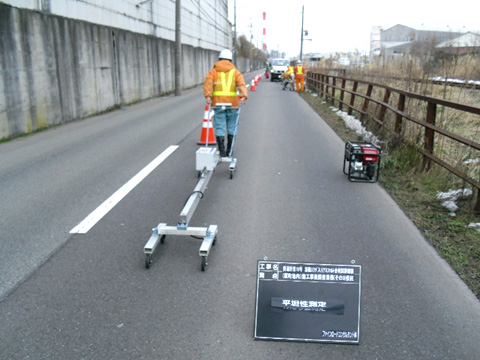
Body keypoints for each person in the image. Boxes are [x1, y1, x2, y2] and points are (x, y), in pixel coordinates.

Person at [203, 49, 248, 157]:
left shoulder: (213, 71)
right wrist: (243, 96)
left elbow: (208, 84)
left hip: (217, 103)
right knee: (232, 126)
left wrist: (208, 96)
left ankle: (222, 151)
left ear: (219, 59)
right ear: (230, 60)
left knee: (220, 127)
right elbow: (241, 84)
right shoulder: (235, 72)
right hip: (233, 104)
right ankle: (230, 150)